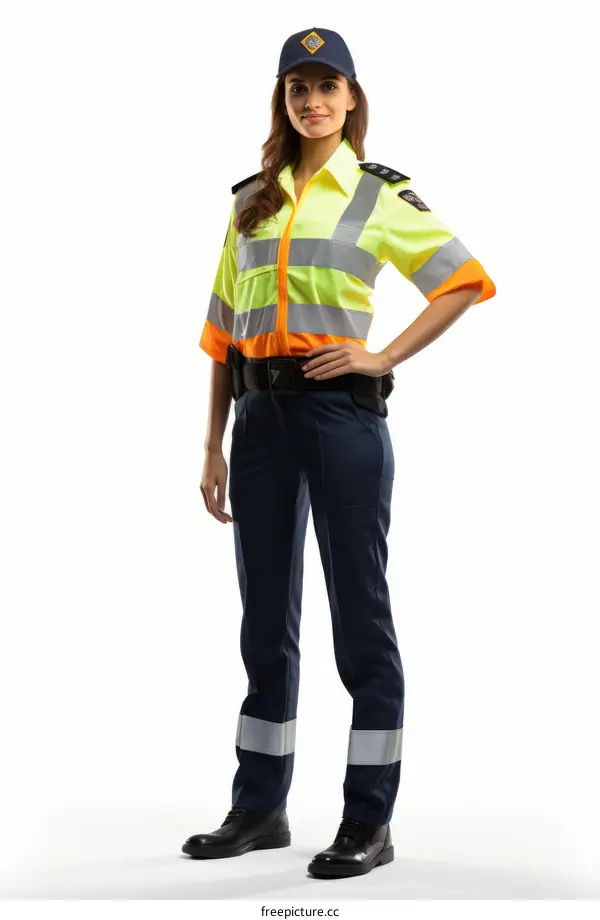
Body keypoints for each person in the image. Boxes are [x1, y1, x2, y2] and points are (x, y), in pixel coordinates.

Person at [183, 27, 496, 879]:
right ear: (283, 100)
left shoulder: (378, 194)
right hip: (258, 425)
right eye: (298, 88)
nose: (313, 101)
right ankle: (259, 807)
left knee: (361, 622)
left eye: (329, 87)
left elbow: (463, 279)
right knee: (264, 625)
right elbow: (221, 335)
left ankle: (369, 819)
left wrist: (385, 355)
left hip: (342, 420)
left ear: (353, 99)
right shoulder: (251, 198)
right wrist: (211, 443)